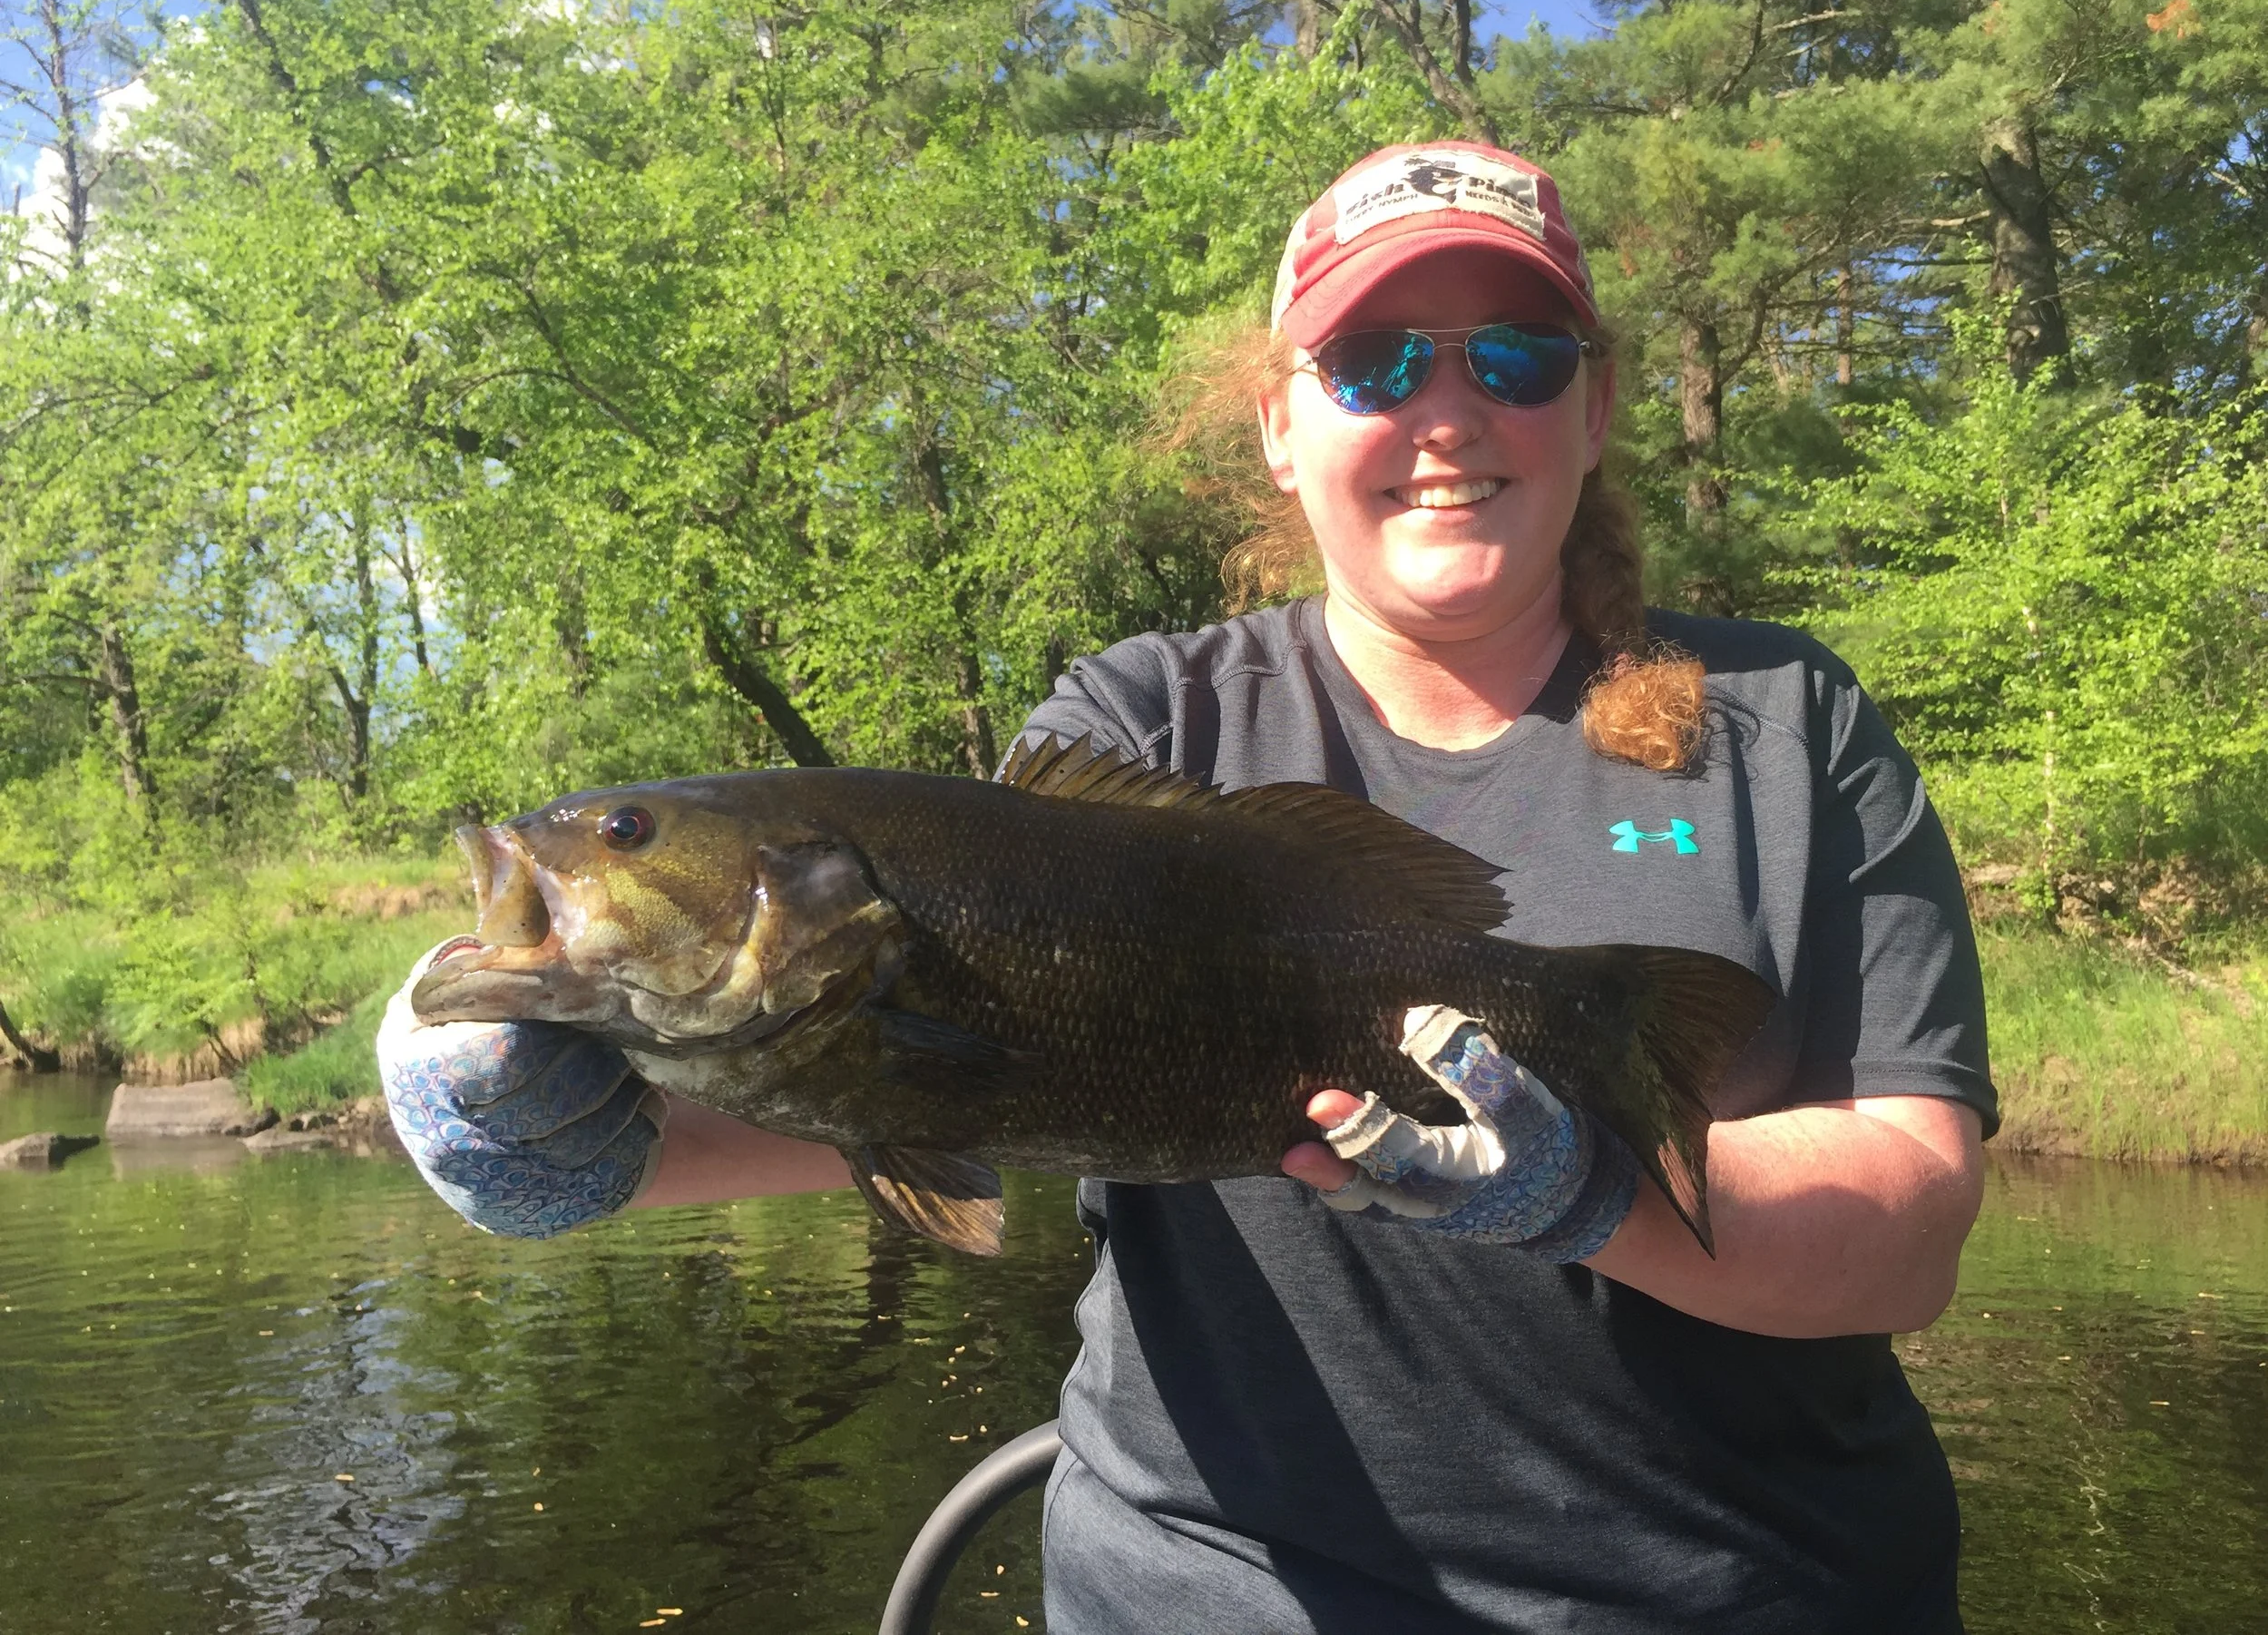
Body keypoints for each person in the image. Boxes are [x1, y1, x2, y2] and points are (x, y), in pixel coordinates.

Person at [380, 141, 1996, 1632]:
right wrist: (564, 1128)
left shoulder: (1790, 729)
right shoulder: (1149, 725)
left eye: (1514, 354)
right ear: (1284, 426)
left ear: (1593, 405)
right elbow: (916, 1075)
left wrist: (1592, 1194)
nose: (1447, 412)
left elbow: (1910, 1230)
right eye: (1373, 363)